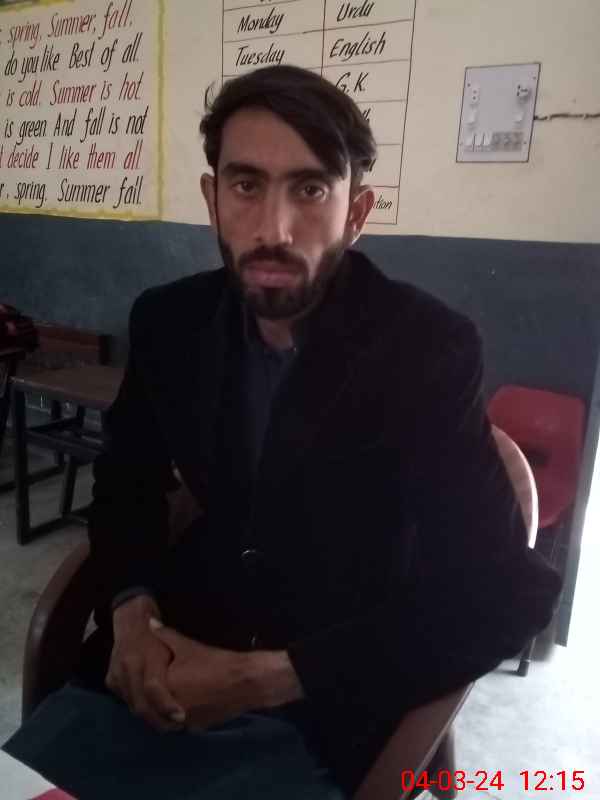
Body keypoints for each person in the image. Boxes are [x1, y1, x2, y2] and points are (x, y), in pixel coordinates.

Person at [4, 65, 560, 799]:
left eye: (310, 189)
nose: (274, 229)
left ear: (356, 212)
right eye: (246, 185)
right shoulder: (169, 322)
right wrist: (131, 606)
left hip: (326, 706)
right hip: (161, 670)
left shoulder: (427, 349)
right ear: (212, 199)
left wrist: (267, 678)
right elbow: (126, 481)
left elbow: (504, 592)